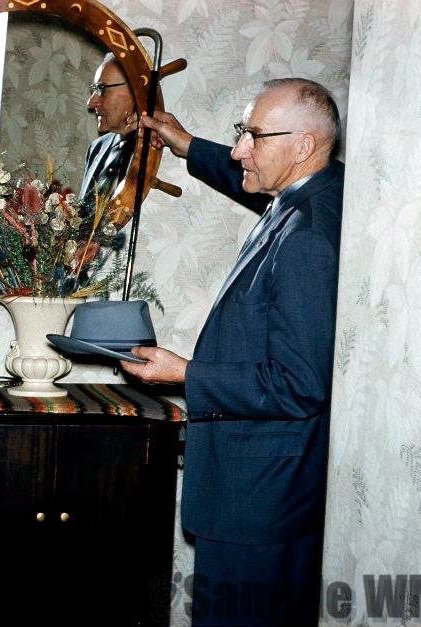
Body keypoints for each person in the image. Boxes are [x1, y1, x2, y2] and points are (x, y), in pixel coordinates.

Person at [123, 78, 344, 626]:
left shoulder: (311, 234)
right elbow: (243, 172)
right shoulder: (312, 189)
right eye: (240, 134)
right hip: (265, 493)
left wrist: (186, 374)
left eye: (253, 136)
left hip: (261, 500)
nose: (241, 150)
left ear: (304, 146)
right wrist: (187, 143)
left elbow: (299, 383)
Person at [79, 52, 138, 217]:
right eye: (94, 89)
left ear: (136, 91)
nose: (91, 103)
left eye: (102, 89)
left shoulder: (156, 150)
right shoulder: (97, 148)